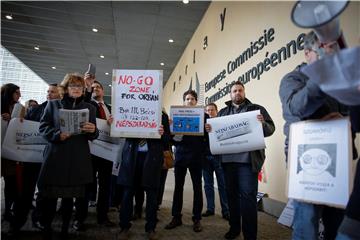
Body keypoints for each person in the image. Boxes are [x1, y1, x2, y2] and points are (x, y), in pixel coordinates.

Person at [279, 31, 348, 240]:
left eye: (333, 48)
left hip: (337, 157)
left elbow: (347, 112)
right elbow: (297, 107)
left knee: (337, 220)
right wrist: (323, 75)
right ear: (308, 53)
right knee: (306, 222)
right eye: (325, 48)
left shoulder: (338, 80)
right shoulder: (292, 78)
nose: (331, 53)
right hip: (306, 157)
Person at [205, 81, 275, 240]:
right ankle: (234, 228)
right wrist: (210, 130)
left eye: (240, 90)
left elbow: (270, 129)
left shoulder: (256, 109)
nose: (237, 93)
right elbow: (216, 134)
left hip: (248, 162)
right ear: (230, 94)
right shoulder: (222, 112)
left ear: (244, 92)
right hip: (227, 162)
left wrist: (262, 123)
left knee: (249, 198)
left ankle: (250, 235)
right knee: (231, 196)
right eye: (234, 91)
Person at [38, 73, 98, 237]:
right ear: (65, 89)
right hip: (56, 157)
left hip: (78, 159)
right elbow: (43, 128)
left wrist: (93, 130)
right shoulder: (53, 105)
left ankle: (65, 229)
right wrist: (57, 135)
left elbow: (94, 134)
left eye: (79, 86)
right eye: (73, 86)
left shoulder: (90, 108)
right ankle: (47, 226)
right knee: (50, 198)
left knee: (69, 200)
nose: (76, 89)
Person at [117, 112, 171, 240]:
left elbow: (167, 140)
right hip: (131, 156)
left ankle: (151, 228)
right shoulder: (127, 110)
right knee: (127, 193)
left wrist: (162, 134)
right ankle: (124, 227)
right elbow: (119, 133)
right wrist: (114, 123)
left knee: (152, 194)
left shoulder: (162, 116)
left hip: (151, 158)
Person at [73, 80, 114, 230]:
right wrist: (87, 87)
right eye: (93, 87)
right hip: (89, 151)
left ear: (103, 91)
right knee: (86, 186)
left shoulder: (110, 109)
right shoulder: (86, 105)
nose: (95, 89)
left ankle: (102, 217)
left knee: (105, 187)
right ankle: (79, 218)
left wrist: (114, 123)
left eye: (98, 87)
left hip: (107, 153)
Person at [165, 90, 208, 233]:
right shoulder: (176, 116)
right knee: (178, 187)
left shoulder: (204, 116)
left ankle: (197, 219)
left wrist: (209, 129)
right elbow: (171, 139)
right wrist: (172, 129)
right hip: (181, 156)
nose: (190, 101)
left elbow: (209, 137)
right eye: (187, 99)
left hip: (196, 157)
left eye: (192, 99)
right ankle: (176, 217)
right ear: (184, 101)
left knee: (197, 188)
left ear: (196, 101)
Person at [26, 83, 61, 230]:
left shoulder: (60, 110)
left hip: (50, 156)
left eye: (52, 92)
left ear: (60, 94)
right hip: (32, 156)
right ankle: (37, 218)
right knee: (37, 190)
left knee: (50, 190)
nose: (49, 94)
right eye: (48, 91)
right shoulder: (36, 109)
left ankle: (46, 219)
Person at [1, 83, 24, 235]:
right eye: (16, 93)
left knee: (11, 183)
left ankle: (8, 210)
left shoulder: (20, 108)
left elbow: (22, 127)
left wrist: (14, 120)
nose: (19, 95)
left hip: (10, 151)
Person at [202, 103, 229, 220]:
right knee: (208, 185)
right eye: (207, 110)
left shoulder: (222, 123)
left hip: (219, 157)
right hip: (205, 158)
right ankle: (210, 209)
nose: (209, 112)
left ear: (216, 111)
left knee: (223, 185)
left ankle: (226, 210)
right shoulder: (202, 125)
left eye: (212, 110)